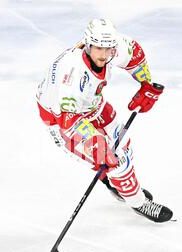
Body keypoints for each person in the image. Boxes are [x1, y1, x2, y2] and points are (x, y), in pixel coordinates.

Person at [36, 18, 173, 223]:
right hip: (60, 121)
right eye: (98, 48)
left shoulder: (111, 47)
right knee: (113, 160)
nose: (103, 54)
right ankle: (137, 202)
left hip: (93, 105)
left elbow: (134, 54)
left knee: (122, 143)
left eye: (108, 48)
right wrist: (96, 142)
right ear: (88, 44)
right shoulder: (72, 74)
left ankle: (117, 186)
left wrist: (146, 84)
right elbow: (69, 121)